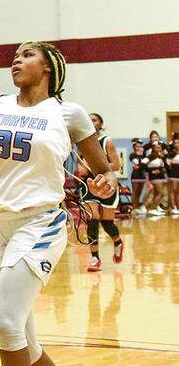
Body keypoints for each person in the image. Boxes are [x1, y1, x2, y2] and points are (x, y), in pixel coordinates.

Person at [0, 41, 110, 366]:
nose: (16, 60)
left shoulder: (69, 114)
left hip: (39, 222)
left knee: (7, 326)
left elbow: (105, 171)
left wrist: (107, 182)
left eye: (27, 56)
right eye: (15, 56)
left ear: (49, 68)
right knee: (23, 339)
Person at [79, 113, 123, 272]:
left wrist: (97, 166)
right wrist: (82, 169)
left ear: (100, 123)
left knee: (106, 222)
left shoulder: (107, 142)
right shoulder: (82, 142)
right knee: (92, 219)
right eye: (89, 119)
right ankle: (94, 258)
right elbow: (80, 167)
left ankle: (117, 242)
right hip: (88, 184)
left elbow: (116, 165)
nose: (91, 122)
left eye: (94, 119)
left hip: (106, 182)